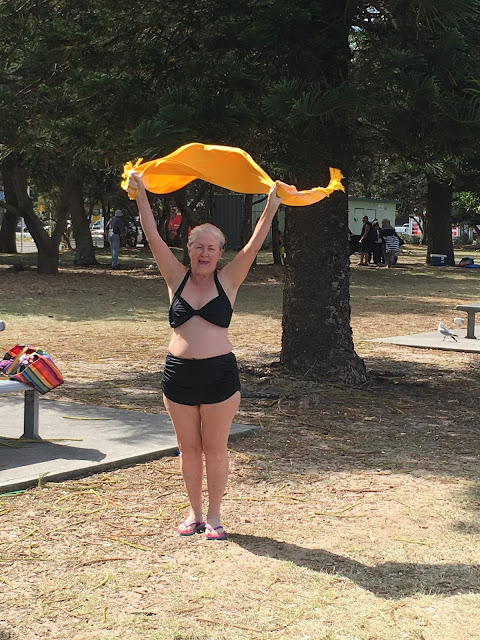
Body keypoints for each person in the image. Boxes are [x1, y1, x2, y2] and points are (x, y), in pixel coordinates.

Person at [126, 171, 282, 540]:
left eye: (211, 248)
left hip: (219, 377)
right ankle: (194, 513)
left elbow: (254, 245)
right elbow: (153, 236)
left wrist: (272, 204)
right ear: (189, 249)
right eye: (198, 246)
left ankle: (214, 516)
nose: (204, 253)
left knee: (215, 449)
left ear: (219, 253)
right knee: (188, 449)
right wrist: (141, 193)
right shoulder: (174, 276)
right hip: (178, 376)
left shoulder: (228, 280)